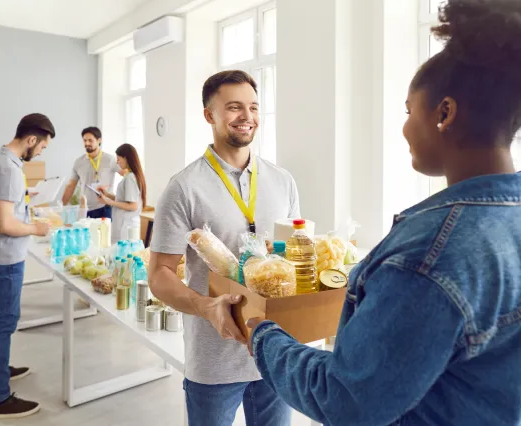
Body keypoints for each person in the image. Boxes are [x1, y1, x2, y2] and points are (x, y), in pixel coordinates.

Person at [246, 1, 521, 426]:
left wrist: (259, 333)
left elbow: (347, 398)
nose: (406, 127)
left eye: (410, 111)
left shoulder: (429, 254)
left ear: (444, 113)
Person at [148, 70, 300, 426]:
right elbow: (159, 275)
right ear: (209, 115)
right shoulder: (183, 188)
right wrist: (204, 306)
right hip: (214, 360)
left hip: (275, 353)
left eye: (253, 107)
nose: (247, 117)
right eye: (234, 107)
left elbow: (291, 258)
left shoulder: (282, 181)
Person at [0, 113, 54, 420]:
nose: (40, 153)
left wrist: (24, 195)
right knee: (4, 321)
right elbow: (6, 224)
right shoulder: (8, 168)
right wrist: (36, 229)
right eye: (42, 147)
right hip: (6, 255)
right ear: (31, 139)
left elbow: (1, 205)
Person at [61, 127, 122, 219]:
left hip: (104, 208)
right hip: (85, 209)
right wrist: (61, 207)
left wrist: (125, 198)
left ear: (99, 140)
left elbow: (127, 174)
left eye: (90, 140)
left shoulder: (110, 159)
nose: (87, 143)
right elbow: (71, 186)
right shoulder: (78, 162)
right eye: (84, 140)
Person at [96, 143, 147, 244]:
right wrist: (107, 194)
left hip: (126, 227)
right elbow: (123, 200)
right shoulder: (131, 176)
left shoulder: (130, 178)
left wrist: (108, 202)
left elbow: (133, 206)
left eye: (119, 159)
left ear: (126, 158)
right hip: (125, 224)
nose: (117, 162)